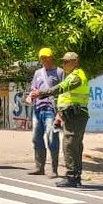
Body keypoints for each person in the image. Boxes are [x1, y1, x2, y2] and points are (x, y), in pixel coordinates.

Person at [30, 51, 89, 187]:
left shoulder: (77, 76)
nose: (64, 64)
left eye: (67, 62)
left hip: (77, 114)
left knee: (69, 144)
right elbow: (64, 96)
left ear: (75, 62)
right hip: (71, 113)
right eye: (63, 61)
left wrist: (42, 93)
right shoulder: (71, 75)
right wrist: (60, 113)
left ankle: (72, 177)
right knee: (74, 145)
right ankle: (75, 176)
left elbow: (61, 88)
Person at [25, 47, 64, 176]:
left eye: (46, 57)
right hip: (37, 108)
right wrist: (30, 97)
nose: (44, 60)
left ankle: (54, 169)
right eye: (42, 58)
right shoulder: (38, 73)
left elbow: (64, 91)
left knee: (52, 138)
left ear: (51, 57)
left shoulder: (59, 72)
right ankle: (39, 167)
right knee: (36, 138)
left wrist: (60, 112)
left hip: (51, 109)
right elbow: (33, 89)